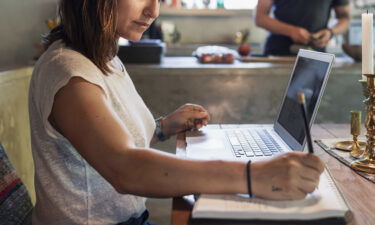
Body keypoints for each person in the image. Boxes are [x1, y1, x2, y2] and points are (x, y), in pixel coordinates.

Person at [29, 0, 325, 224]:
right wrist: (254, 176)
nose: (153, 10)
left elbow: (101, 141)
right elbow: (124, 168)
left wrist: (162, 127)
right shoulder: (70, 72)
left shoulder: (103, 58)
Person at [255, 0, 350, 56]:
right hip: (278, 55)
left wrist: (330, 32)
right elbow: (259, 18)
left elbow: (345, 19)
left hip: (316, 56)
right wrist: (290, 31)